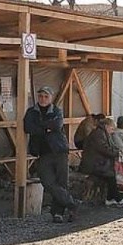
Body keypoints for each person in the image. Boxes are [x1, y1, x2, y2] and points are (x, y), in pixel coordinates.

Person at [24, 86, 78, 223]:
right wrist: (46, 128)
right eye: (41, 96)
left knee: (61, 182)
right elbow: (28, 127)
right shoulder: (31, 112)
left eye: (46, 96)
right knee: (47, 182)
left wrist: (40, 127)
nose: (43, 99)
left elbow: (57, 126)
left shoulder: (56, 110)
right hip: (42, 153)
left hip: (59, 150)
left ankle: (57, 213)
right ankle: (71, 203)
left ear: (51, 98)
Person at [81, 118, 123, 208]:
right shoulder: (98, 134)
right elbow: (103, 148)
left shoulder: (102, 133)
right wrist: (116, 153)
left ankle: (110, 198)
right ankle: (119, 199)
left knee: (110, 174)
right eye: (112, 129)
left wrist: (117, 151)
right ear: (106, 126)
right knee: (110, 175)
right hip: (93, 163)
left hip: (98, 161)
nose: (113, 131)